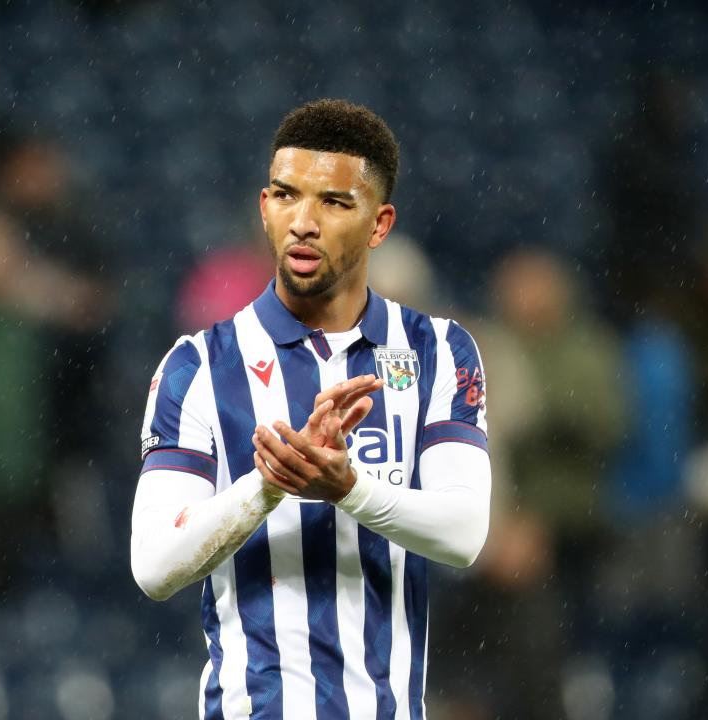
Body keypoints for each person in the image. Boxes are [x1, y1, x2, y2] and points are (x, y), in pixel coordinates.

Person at [131, 99, 492, 719]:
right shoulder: (196, 367)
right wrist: (267, 487)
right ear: (264, 206)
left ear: (379, 225)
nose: (303, 222)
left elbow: (463, 535)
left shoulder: (438, 350)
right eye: (286, 195)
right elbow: (154, 566)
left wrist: (348, 488)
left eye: (333, 202)